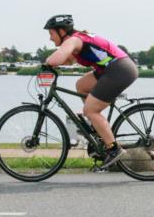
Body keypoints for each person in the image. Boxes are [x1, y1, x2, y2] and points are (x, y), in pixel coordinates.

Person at [41, 14, 138, 168]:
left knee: (90, 110)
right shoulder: (76, 41)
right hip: (111, 69)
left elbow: (56, 59)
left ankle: (114, 149)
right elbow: (67, 59)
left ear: (61, 31)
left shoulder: (73, 40)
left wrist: (46, 64)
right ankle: (97, 127)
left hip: (119, 69)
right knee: (81, 85)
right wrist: (53, 65)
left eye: (51, 34)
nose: (50, 39)